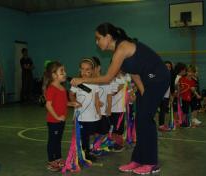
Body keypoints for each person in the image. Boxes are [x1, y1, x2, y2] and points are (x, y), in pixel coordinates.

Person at [71, 23, 170, 175]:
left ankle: (151, 163)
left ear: (108, 37)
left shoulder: (122, 48)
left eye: (98, 38)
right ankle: (138, 159)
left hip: (158, 79)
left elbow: (108, 78)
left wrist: (82, 80)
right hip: (147, 83)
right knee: (140, 120)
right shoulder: (120, 52)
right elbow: (135, 73)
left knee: (145, 120)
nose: (97, 42)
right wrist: (143, 94)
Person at [43, 61, 78, 172]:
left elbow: (62, 103)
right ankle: (51, 161)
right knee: (53, 141)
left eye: (64, 71)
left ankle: (58, 159)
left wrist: (71, 104)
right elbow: (48, 105)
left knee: (58, 140)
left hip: (61, 120)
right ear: (54, 75)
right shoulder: (52, 88)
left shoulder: (62, 88)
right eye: (61, 71)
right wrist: (57, 117)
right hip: (54, 121)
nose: (65, 73)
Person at [69, 58, 101, 162]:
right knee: (82, 135)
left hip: (91, 116)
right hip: (80, 116)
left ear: (92, 71)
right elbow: (71, 94)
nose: (84, 72)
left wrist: (98, 112)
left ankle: (87, 151)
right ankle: (82, 153)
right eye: (82, 69)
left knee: (89, 134)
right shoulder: (76, 82)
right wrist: (74, 101)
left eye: (87, 69)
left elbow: (96, 99)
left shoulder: (95, 83)